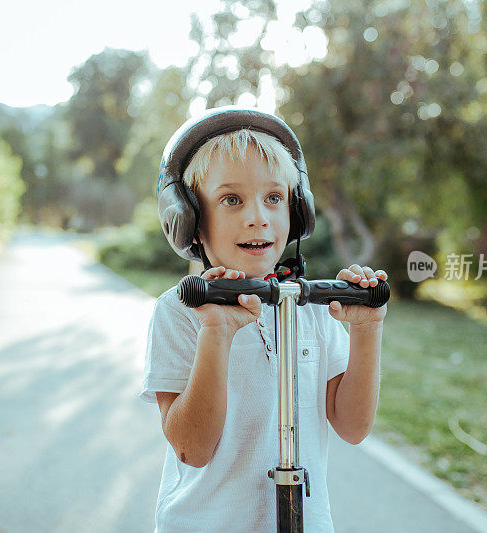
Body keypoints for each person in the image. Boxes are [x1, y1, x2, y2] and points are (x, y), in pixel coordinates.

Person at [141, 107, 388, 532]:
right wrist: (215, 332)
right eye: (232, 199)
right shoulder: (181, 312)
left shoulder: (310, 307)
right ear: (190, 220)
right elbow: (191, 448)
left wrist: (367, 329)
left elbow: (352, 426)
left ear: (297, 211)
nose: (258, 216)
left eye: (274, 198)